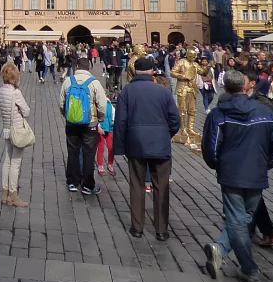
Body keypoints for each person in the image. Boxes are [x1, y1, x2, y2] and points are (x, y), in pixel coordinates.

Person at [201, 69, 273, 282]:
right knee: (243, 217)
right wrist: (266, 164)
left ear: (225, 87)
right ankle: (230, 255)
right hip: (256, 172)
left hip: (231, 173)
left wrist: (219, 166)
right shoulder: (265, 111)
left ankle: (244, 265)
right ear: (245, 86)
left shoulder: (218, 114)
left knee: (238, 219)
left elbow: (211, 147)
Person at [113, 57, 181, 240]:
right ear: (152, 71)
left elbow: (119, 122)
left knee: (137, 185)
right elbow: (176, 120)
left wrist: (119, 147)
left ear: (135, 71)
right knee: (161, 186)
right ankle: (161, 230)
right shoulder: (163, 91)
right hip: (160, 144)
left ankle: (137, 227)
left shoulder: (127, 92)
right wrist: (165, 134)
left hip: (135, 144)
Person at [58, 57, 108, 196]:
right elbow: (102, 105)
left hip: (72, 123)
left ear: (77, 67)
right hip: (90, 124)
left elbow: (62, 102)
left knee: (72, 152)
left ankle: (72, 182)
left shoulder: (68, 81)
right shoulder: (95, 83)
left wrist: (67, 116)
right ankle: (88, 185)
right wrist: (99, 118)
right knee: (89, 154)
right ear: (88, 68)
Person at [0, 63, 31, 207]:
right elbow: (27, 111)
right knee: (15, 163)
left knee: (7, 161)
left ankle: (4, 194)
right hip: (17, 130)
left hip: (6, 129)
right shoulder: (15, 93)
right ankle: (13, 195)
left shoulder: (1, 90)